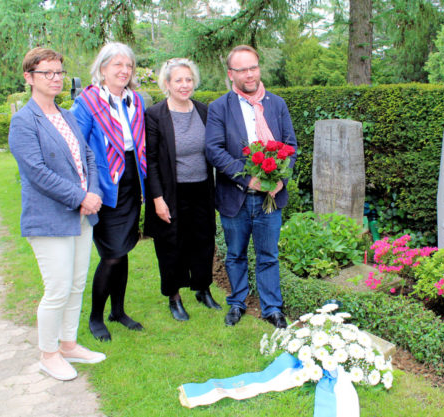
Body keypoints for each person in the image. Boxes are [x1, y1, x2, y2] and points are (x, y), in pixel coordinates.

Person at [9, 47, 106, 381]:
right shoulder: (24, 121)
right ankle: (47, 354)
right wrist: (81, 197)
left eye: (59, 72)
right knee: (58, 288)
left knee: (77, 284)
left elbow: (89, 157)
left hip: (82, 214)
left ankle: (68, 344)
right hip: (49, 218)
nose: (54, 78)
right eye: (46, 73)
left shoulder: (66, 115)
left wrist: (93, 193)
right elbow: (36, 172)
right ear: (29, 77)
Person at [205, 45, 298, 329]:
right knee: (235, 254)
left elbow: (291, 146)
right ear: (231, 74)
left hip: (271, 198)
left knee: (268, 255)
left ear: (259, 68)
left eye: (253, 67)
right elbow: (214, 150)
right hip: (236, 197)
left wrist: (280, 178)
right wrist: (248, 178)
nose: (249, 74)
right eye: (242, 69)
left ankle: (272, 308)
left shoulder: (277, 104)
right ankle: (237, 302)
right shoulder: (220, 107)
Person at [71, 43, 146, 341]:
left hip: (131, 179)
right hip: (103, 183)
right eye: (117, 65)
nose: (124, 70)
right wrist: (86, 190)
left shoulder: (134, 100)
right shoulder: (87, 102)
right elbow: (77, 148)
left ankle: (118, 311)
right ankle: (95, 317)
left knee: (124, 248)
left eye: (128, 66)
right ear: (102, 69)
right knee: (112, 254)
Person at [144, 58, 220, 321]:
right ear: (167, 83)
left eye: (188, 79)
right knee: (171, 244)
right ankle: (174, 296)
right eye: (178, 80)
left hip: (201, 189)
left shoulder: (203, 111)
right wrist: (157, 199)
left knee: (203, 240)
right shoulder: (155, 115)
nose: (184, 85)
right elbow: (150, 160)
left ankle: (202, 288)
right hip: (171, 192)